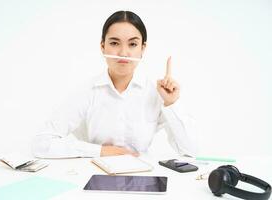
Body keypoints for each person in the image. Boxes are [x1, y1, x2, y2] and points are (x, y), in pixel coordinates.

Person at [32, 10, 196, 158]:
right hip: (94, 175)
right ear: (103, 47)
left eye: (132, 44)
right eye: (114, 43)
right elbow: (41, 143)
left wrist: (171, 103)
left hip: (142, 177)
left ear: (142, 48)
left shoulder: (155, 93)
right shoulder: (88, 91)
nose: (124, 53)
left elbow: (190, 151)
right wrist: (100, 151)